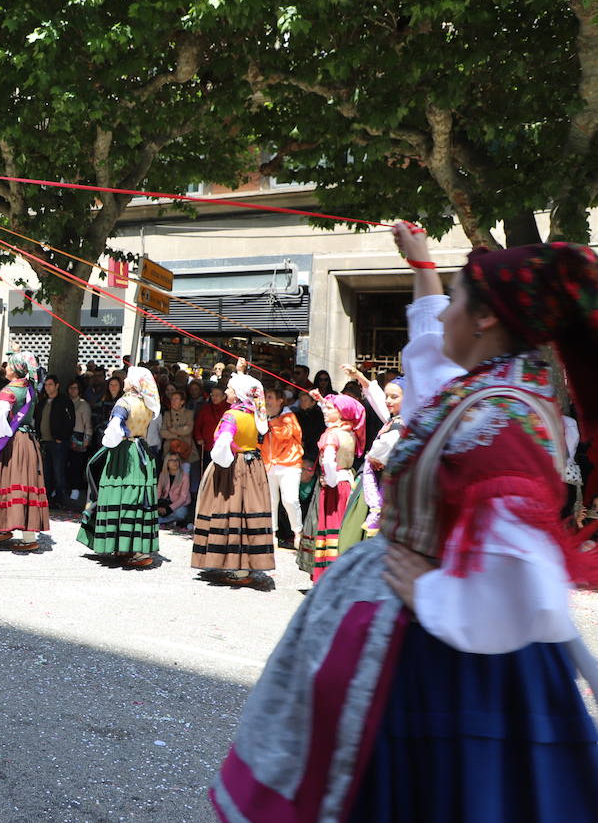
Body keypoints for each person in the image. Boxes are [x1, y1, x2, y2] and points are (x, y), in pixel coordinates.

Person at [212, 226, 598, 821]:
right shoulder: (485, 392)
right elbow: (431, 378)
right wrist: (423, 270)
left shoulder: (505, 417)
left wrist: (429, 591)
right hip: (423, 623)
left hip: (455, 652)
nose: (443, 315)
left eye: (457, 300)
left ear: (487, 320)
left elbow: (523, 580)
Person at [190, 361, 274, 587]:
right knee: (247, 513)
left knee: (228, 511)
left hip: (232, 467)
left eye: (229, 388)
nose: (226, 390)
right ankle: (244, 564)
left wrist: (220, 462)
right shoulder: (255, 416)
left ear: (237, 395)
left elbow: (223, 445)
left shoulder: (231, 415)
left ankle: (232, 564)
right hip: (253, 466)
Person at [77, 366, 161, 566]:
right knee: (136, 498)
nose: (123, 380)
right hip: (141, 452)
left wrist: (107, 443)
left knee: (117, 495)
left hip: (122, 453)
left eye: (127, 378)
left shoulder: (124, 402)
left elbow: (114, 429)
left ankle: (118, 545)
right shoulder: (147, 404)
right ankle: (134, 548)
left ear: (132, 383)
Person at [0, 350, 49, 552]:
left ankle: (24, 537)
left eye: (8, 365)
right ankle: (11, 531)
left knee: (7, 482)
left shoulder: (8, 391)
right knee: (23, 484)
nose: (5, 368)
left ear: (16, 368)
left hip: (11, 442)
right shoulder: (30, 388)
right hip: (27, 441)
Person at [298, 392, 365, 581]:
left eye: (330, 409)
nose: (326, 412)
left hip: (333, 485)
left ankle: (326, 574)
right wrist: (320, 400)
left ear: (342, 412)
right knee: (342, 528)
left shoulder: (331, 434)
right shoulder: (350, 431)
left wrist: (331, 479)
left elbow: (328, 461)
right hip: (346, 482)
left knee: (330, 527)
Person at [338, 368, 405, 556]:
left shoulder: (404, 423)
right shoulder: (394, 419)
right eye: (387, 396)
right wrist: (360, 377)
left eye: (394, 397)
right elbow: (377, 400)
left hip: (385, 488)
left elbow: (381, 452)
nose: (388, 401)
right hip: (373, 481)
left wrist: (373, 457)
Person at [260, 386, 304, 548]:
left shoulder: (288, 417)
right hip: (269, 463)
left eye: (270, 397)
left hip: (289, 463)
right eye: (266, 397)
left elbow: (284, 434)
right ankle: (271, 534)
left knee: (290, 500)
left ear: (280, 401)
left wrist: (268, 422)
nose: (267, 400)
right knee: (270, 501)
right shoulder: (263, 417)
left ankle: (298, 532)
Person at [34, 374, 74, 505]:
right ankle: (47, 498)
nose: (47, 387)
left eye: (50, 384)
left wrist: (61, 437)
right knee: (46, 472)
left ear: (57, 386)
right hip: (44, 441)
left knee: (59, 471)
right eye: (46, 385)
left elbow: (70, 421)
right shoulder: (42, 402)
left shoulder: (64, 401)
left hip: (58, 443)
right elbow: (37, 420)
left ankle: (60, 499)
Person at [155, 448, 192, 528]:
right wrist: (157, 506)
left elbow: (183, 497)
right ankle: (170, 521)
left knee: (180, 513)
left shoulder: (184, 476)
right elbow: (158, 492)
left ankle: (161, 521)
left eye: (176, 460)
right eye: (171, 460)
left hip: (178, 505)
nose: (174, 462)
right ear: (167, 463)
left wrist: (168, 509)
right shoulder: (163, 474)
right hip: (164, 503)